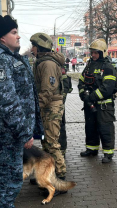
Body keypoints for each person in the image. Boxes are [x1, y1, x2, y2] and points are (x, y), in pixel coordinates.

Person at [0, 15, 43, 208]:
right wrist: (24, 132)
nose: (18, 36)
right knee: (11, 170)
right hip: (8, 130)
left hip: (11, 128)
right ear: (2, 38)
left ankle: (5, 206)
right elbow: (6, 101)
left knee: (9, 169)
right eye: (13, 32)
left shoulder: (9, 57)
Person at [30, 33, 67, 195]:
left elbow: (47, 90)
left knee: (52, 143)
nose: (32, 49)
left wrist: (36, 108)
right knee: (46, 143)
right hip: (46, 107)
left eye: (34, 46)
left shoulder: (48, 64)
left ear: (40, 47)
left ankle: (60, 178)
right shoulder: (41, 62)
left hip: (50, 107)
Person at [78, 38, 117, 163]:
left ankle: (108, 154)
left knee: (105, 129)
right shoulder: (89, 65)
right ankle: (91, 149)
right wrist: (83, 95)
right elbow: (81, 81)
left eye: (96, 52)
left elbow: (107, 88)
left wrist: (91, 97)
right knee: (90, 128)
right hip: (90, 105)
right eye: (92, 52)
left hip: (104, 106)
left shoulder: (108, 67)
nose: (93, 55)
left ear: (102, 52)